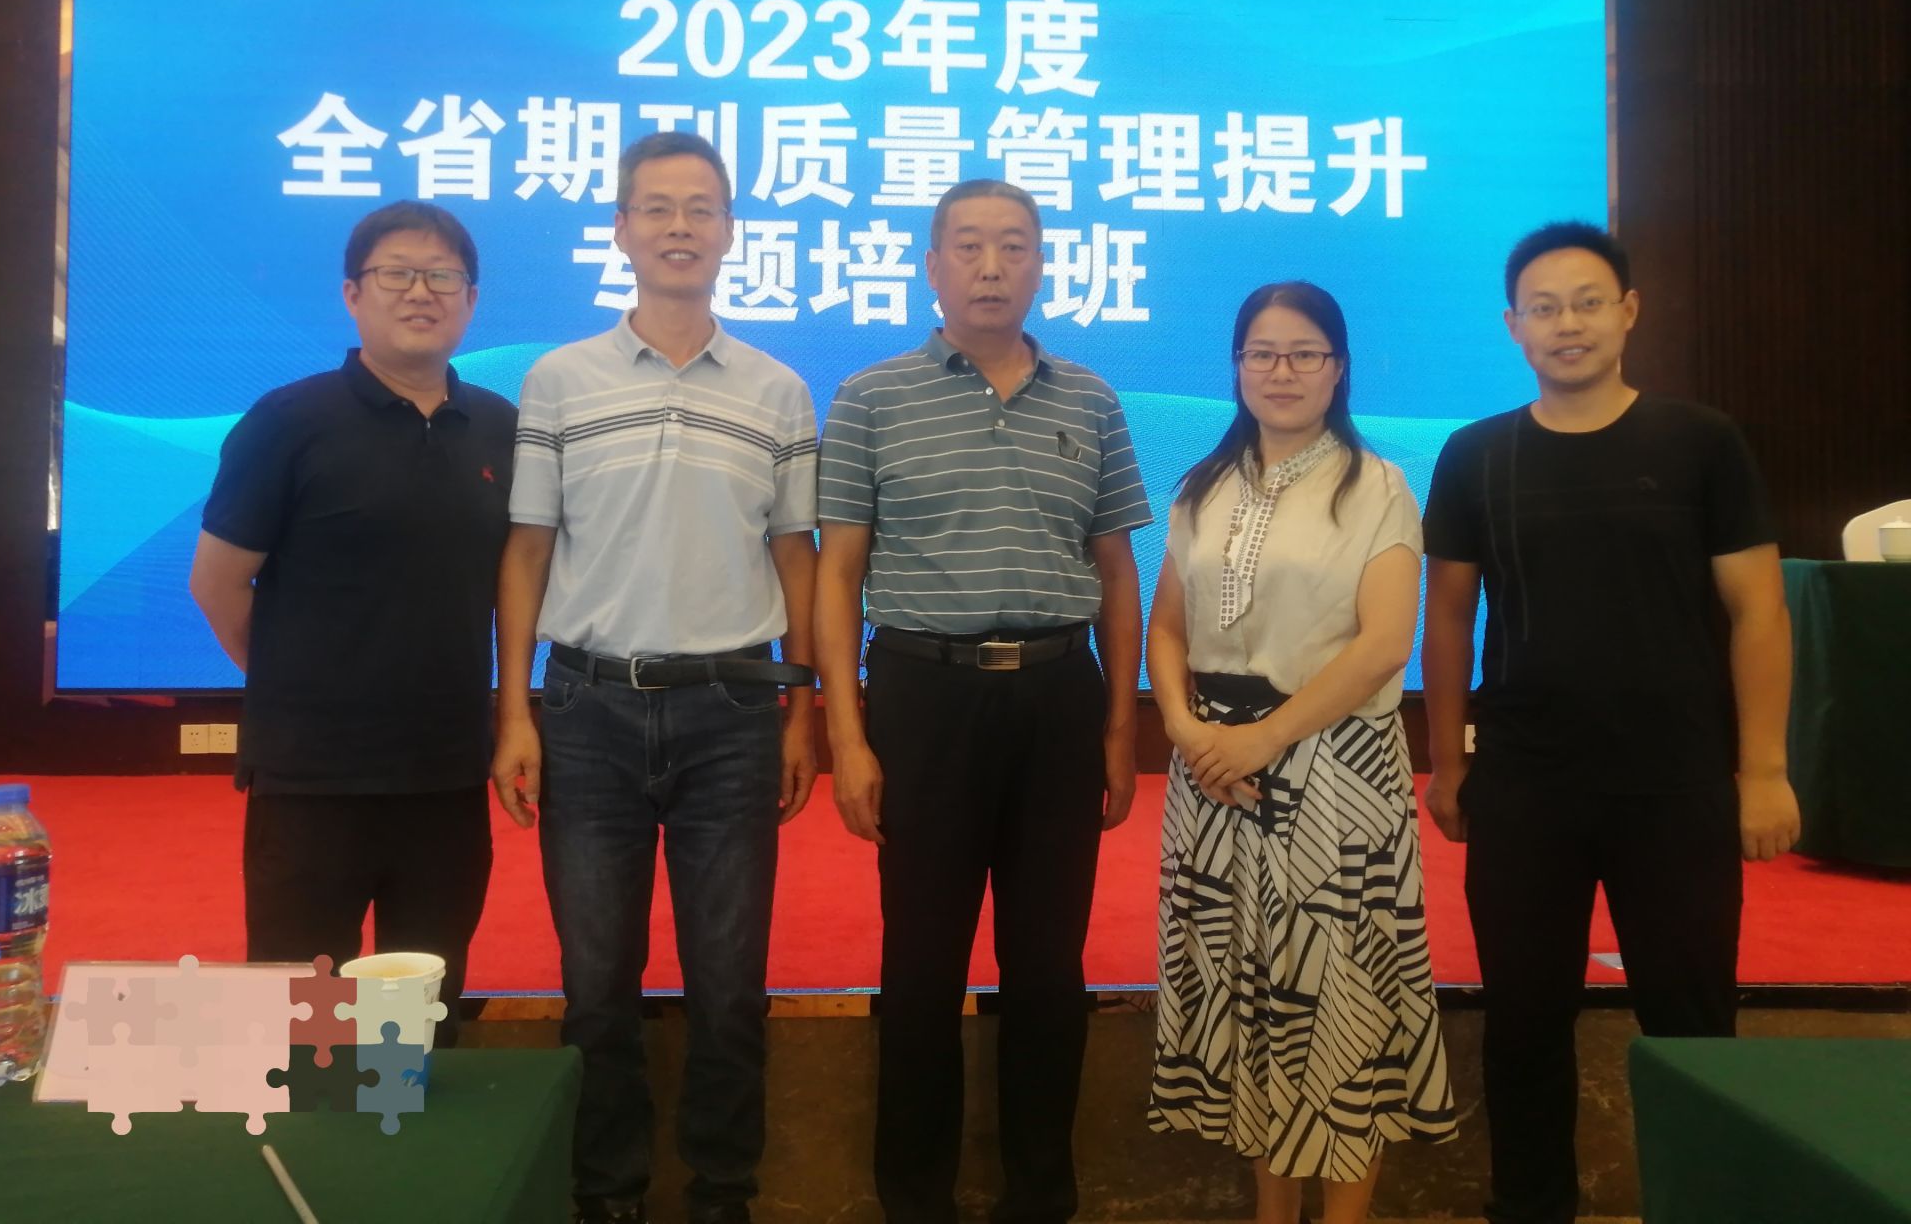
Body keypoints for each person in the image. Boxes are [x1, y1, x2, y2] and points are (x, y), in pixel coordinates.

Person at [1420, 220, 1799, 1224]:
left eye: (1587, 302)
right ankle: (1529, 1205)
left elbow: (1758, 610)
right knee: (1523, 1022)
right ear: (1512, 326)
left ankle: (1706, 1203)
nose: (1567, 323)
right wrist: (1447, 763)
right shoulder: (1474, 454)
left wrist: (1763, 769)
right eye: (1543, 308)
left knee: (1691, 1019)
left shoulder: (1700, 442)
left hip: (1673, 783)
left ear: (1628, 311)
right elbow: (1447, 618)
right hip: (1524, 787)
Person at [491, 131, 820, 1224]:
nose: (680, 227)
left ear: (729, 231)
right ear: (622, 228)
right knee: (595, 990)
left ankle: (723, 1194)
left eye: (701, 208)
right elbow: (527, 551)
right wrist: (515, 712)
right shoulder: (558, 379)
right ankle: (607, 1195)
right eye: (657, 207)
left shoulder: (778, 391)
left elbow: (797, 559)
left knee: (729, 989)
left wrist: (803, 708)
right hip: (585, 710)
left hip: (734, 713)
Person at [815, 178, 1152, 1224]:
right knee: (920, 963)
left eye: (1013, 245)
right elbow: (837, 574)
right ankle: (914, 1198)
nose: (992, 265)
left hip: (1057, 696)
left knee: (1047, 967)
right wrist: (846, 734)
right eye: (968, 245)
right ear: (932, 265)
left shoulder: (1090, 399)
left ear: (1043, 264)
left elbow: (1116, 572)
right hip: (922, 695)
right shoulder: (870, 397)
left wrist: (1119, 724)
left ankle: (1039, 1196)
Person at [1145, 281, 1456, 1224]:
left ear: (1338, 368)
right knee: (1251, 1007)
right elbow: (1168, 626)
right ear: (1237, 367)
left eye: (1304, 353)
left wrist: (1263, 739)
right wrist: (1184, 728)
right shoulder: (1202, 486)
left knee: (1338, 1005)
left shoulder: (1377, 487)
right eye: (1262, 354)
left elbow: (1385, 644)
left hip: (1332, 775)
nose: (1281, 372)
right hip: (1213, 778)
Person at [189, 200, 515, 1043]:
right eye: (396, 273)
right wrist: (301, 681)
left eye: (442, 276)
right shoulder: (288, 421)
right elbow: (218, 583)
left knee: (422, 1029)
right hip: (313, 780)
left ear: (471, 300)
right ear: (352, 294)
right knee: (304, 1030)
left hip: (446, 777)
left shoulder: (502, 428)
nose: (421, 291)